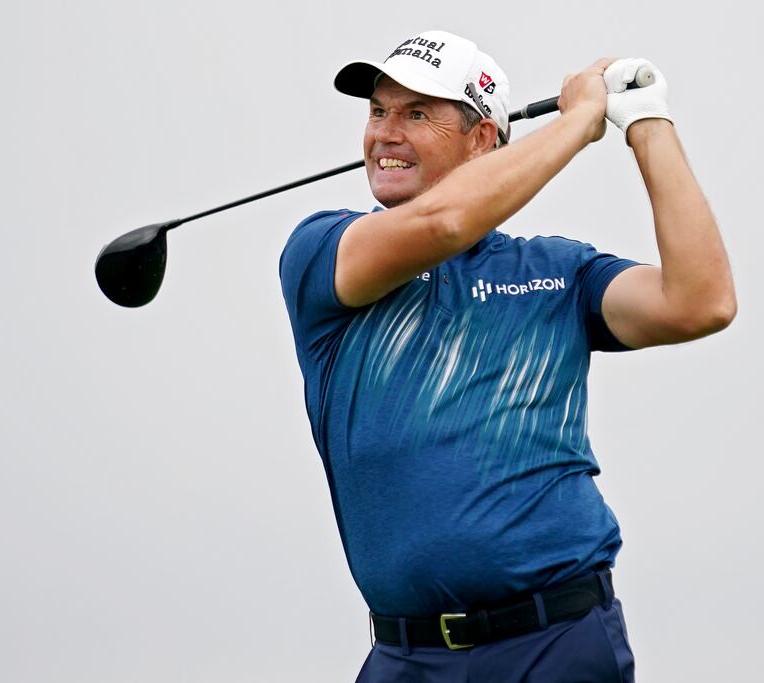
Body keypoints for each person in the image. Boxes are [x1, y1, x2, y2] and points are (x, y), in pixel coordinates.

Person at [279, 29, 736, 683]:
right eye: (378, 110)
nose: (385, 133)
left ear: (484, 140)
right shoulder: (323, 253)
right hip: (405, 658)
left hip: (555, 643)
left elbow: (701, 300)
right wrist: (579, 123)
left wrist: (647, 122)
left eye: (416, 114)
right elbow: (443, 224)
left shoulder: (558, 273)